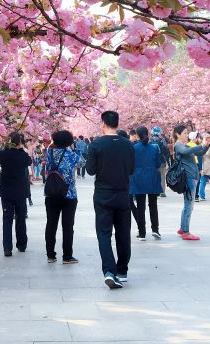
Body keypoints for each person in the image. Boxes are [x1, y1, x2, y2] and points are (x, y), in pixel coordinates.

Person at [86, 111, 135, 289]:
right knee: (123, 233)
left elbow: (90, 170)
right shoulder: (128, 144)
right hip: (123, 193)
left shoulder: (96, 144)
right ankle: (122, 271)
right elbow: (131, 169)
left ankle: (109, 271)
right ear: (117, 123)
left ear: (103, 123)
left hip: (103, 194)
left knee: (104, 234)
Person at [44, 130, 79, 265]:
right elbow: (82, 163)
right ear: (69, 142)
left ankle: (50, 255)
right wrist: (71, 149)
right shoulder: (72, 155)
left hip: (51, 193)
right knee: (68, 226)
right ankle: (67, 256)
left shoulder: (49, 153)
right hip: (69, 194)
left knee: (51, 224)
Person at [173, 125, 210, 241]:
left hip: (191, 177)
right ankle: (186, 232)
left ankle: (182, 227)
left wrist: (206, 144)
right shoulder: (179, 146)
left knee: (187, 204)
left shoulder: (185, 145)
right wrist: (201, 144)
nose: (186, 135)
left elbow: (199, 153)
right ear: (177, 134)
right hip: (188, 178)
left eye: (186, 132)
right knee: (189, 205)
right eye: (184, 133)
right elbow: (186, 151)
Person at [0, 132, 32, 256]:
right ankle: (22, 244)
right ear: (19, 143)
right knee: (20, 218)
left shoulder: (2, 154)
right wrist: (21, 149)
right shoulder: (23, 155)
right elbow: (29, 161)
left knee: (7, 219)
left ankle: (7, 247)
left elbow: (2, 153)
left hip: (6, 191)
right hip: (20, 191)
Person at [129, 125, 163, 241]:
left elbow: (131, 164)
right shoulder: (154, 147)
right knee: (153, 205)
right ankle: (155, 229)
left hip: (138, 178)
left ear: (137, 135)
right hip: (152, 177)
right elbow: (158, 164)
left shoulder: (133, 148)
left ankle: (142, 233)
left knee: (140, 206)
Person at [150, 127, 170, 197]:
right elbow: (166, 150)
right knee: (162, 176)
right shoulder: (162, 140)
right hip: (161, 160)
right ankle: (162, 192)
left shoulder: (149, 140)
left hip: (152, 161)